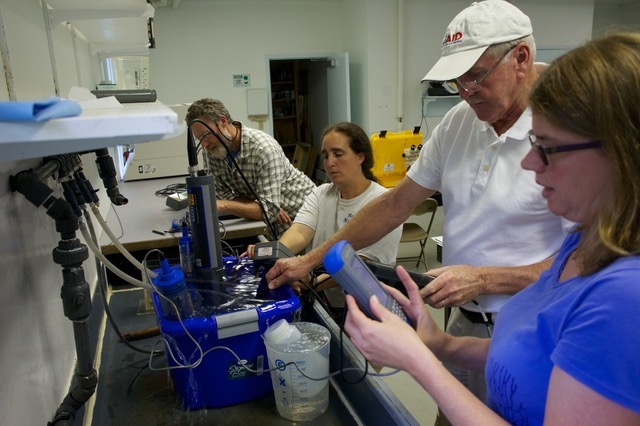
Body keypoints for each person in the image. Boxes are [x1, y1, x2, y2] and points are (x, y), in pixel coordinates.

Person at [266, 0, 570, 405]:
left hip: (535, 327)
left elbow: (586, 262)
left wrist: (485, 279)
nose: (465, 92)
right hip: (463, 321)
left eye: (476, 76)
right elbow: (395, 206)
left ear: (521, 57)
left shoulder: (569, 131)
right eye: (456, 81)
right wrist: (309, 261)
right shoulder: (460, 122)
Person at [343, 31, 640, 425]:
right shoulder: (585, 244)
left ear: (620, 152)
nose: (531, 165)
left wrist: (417, 361)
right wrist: (439, 342)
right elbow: (528, 354)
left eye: (549, 148)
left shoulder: (624, 297)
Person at [244, 122, 402, 294]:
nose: (330, 162)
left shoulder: (382, 203)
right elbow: (300, 233)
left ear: (360, 157)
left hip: (362, 305)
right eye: (326, 156)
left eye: (338, 154)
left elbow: (361, 265)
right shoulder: (321, 193)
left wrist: (312, 282)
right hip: (321, 298)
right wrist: (271, 253)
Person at [185, 98, 316, 237]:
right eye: (199, 139)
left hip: (301, 218)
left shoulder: (263, 149)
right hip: (267, 223)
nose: (204, 144)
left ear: (223, 122)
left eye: (206, 135)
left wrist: (225, 205)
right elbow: (222, 193)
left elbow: (268, 211)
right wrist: (258, 206)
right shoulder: (212, 150)